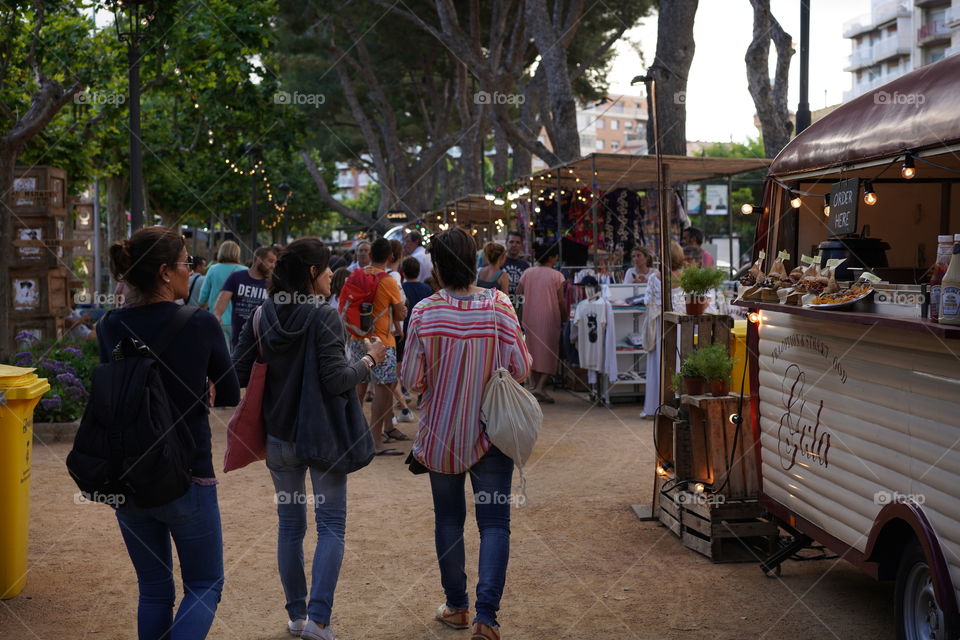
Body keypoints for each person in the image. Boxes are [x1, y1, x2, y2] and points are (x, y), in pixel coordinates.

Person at [233, 239, 387, 640]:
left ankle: (298, 616)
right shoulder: (324, 317)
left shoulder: (263, 313)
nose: (332, 274)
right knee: (331, 525)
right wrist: (370, 359)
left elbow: (240, 369)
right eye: (326, 268)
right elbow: (337, 380)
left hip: (279, 436)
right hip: (322, 437)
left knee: (289, 526)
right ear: (311, 274)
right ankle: (319, 621)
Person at [100, 226, 240, 640]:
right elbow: (230, 390)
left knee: (155, 589)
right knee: (204, 584)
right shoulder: (199, 323)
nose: (190, 271)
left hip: (128, 474)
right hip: (187, 471)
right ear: (164, 272)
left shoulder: (109, 325)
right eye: (185, 264)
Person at [400, 227, 531, 640]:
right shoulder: (500, 305)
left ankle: (457, 606)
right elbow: (522, 367)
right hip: (492, 431)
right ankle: (486, 618)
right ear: (473, 258)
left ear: (435, 266)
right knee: (494, 524)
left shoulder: (423, 312)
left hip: (441, 435)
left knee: (449, 520)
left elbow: (411, 379)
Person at [348, 238, 407, 455]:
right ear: (390, 257)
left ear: (370, 254)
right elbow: (400, 313)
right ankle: (375, 441)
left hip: (357, 339)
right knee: (383, 388)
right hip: (382, 341)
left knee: (358, 387)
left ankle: (353, 436)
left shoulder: (355, 275)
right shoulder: (388, 280)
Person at [516, 243, 566, 403]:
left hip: (529, 317)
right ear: (552, 258)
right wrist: (564, 316)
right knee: (549, 351)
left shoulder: (527, 273)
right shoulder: (557, 276)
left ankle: (534, 386)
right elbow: (560, 300)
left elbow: (518, 294)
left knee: (530, 350)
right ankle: (540, 388)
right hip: (550, 317)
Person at [643, 241, 687, 418]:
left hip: (660, 325)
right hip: (680, 326)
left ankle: (656, 404)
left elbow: (648, 301)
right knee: (679, 363)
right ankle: (678, 403)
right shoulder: (685, 278)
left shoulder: (654, 278)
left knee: (659, 364)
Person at [213, 246, 278, 351]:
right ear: (258, 259)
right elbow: (223, 298)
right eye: (270, 261)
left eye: (275, 263)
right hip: (239, 339)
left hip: (262, 339)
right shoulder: (237, 277)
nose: (273, 266)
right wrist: (217, 315)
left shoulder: (272, 283)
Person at [198, 240, 246, 346]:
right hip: (240, 320)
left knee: (223, 356)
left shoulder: (213, 269)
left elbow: (202, 297)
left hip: (217, 319)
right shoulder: (245, 271)